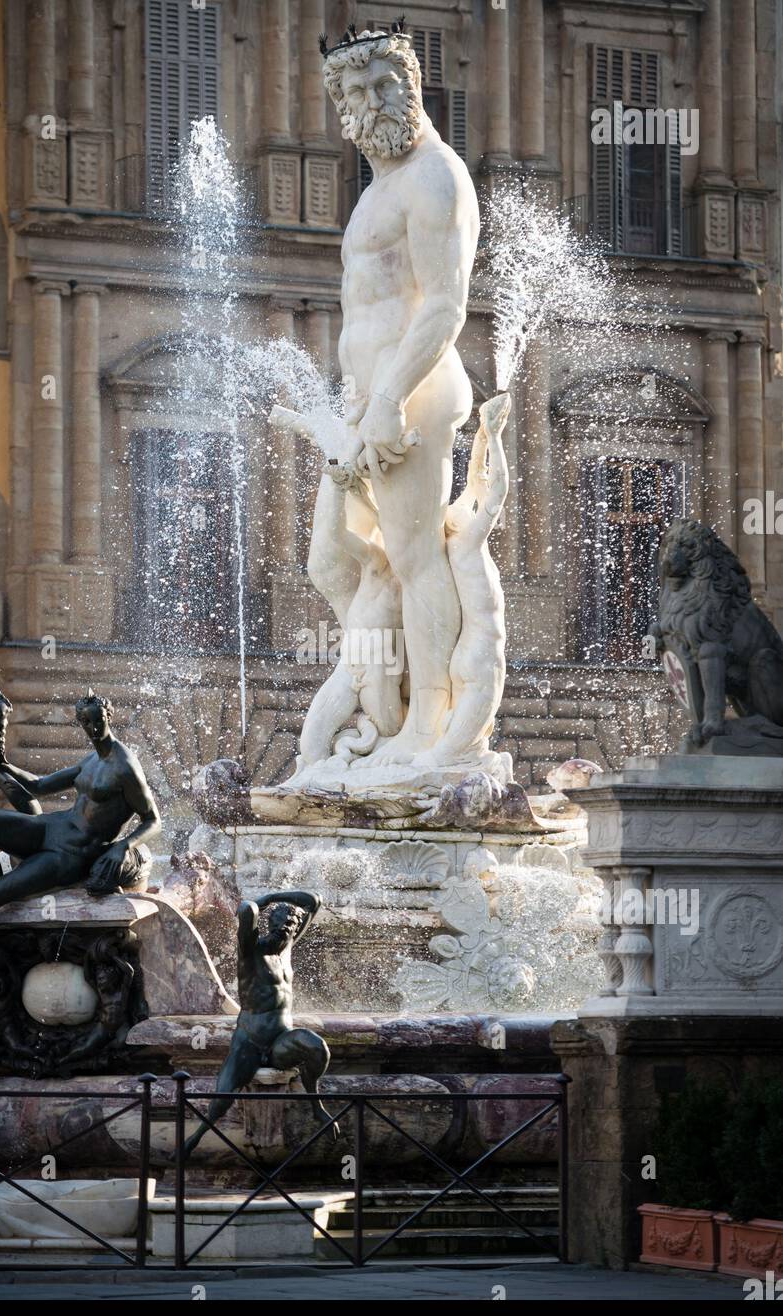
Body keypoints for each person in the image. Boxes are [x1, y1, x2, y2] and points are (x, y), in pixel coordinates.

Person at [322, 22, 479, 767]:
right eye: (356, 91)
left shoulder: (435, 176)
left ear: (413, 85)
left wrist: (387, 398)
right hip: (365, 404)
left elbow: (445, 306)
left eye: (385, 83)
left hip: (410, 397)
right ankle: (380, 708)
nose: (371, 100)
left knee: (416, 560)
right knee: (331, 564)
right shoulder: (383, 185)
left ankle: (430, 732)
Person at [0, 690, 161, 1018]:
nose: (93, 728)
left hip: (68, 857)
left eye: (98, 721)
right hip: (50, 828)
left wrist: (124, 845)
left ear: (109, 716)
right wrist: (3, 763)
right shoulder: (90, 761)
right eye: (86, 722)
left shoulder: (125, 767)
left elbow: (153, 820)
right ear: (80, 722)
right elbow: (38, 785)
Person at [181, 889, 339, 1160]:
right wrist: (267, 901)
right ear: (271, 923)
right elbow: (246, 910)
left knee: (317, 1047)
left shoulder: (287, 946)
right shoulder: (251, 949)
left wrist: (284, 902)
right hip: (249, 1042)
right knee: (221, 1099)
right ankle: (194, 1139)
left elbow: (314, 901)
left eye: (292, 925)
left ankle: (316, 1106)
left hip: (280, 1040)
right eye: (281, 923)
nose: (287, 928)